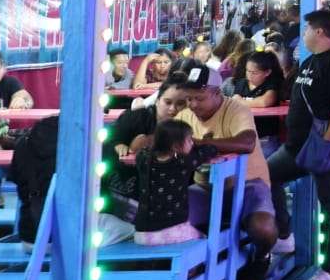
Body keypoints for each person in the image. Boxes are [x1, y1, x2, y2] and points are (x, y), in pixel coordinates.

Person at [268, 9, 330, 280]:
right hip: (297, 147)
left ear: (319, 31)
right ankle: (284, 235)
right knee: (264, 175)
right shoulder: (310, 62)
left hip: (329, 150)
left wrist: (326, 145)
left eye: (306, 28)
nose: (303, 34)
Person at [166, 62, 279, 257]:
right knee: (171, 222)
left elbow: (247, 143)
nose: (193, 104)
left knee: (263, 229)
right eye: (189, 99)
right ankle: (199, 266)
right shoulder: (184, 116)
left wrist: (199, 143)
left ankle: (262, 256)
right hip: (205, 188)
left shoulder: (236, 109)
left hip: (248, 184)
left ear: (217, 93)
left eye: (199, 99)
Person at [103, 77, 192, 217]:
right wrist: (117, 144)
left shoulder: (188, 128)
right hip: (123, 187)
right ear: (157, 100)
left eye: (180, 104)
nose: (173, 109)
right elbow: (108, 140)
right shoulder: (134, 117)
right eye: (167, 102)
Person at [133, 119, 218, 245]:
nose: (192, 143)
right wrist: (204, 142)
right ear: (176, 147)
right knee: (203, 239)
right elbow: (210, 149)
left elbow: (142, 150)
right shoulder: (183, 162)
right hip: (171, 231)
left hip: (140, 235)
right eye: (189, 140)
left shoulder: (143, 159)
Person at [236, 51, 287, 156]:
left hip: (266, 137)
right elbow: (235, 101)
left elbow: (265, 101)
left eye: (254, 73)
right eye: (247, 71)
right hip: (244, 135)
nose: (249, 75)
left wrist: (242, 101)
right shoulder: (241, 83)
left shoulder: (272, 84)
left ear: (267, 72)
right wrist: (250, 102)